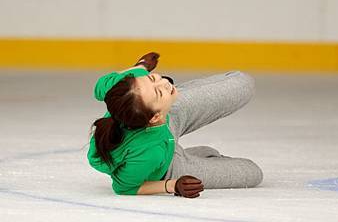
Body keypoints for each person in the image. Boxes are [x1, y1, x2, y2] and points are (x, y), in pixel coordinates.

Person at [87, 52, 263, 197]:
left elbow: (100, 87)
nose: (165, 82)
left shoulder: (126, 90)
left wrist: (141, 66)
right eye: (158, 91)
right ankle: (194, 156)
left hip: (168, 114)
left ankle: (198, 154)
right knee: (253, 173)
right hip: (167, 166)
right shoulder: (148, 154)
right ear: (154, 118)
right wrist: (173, 186)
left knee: (243, 83)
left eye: (153, 79)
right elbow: (124, 187)